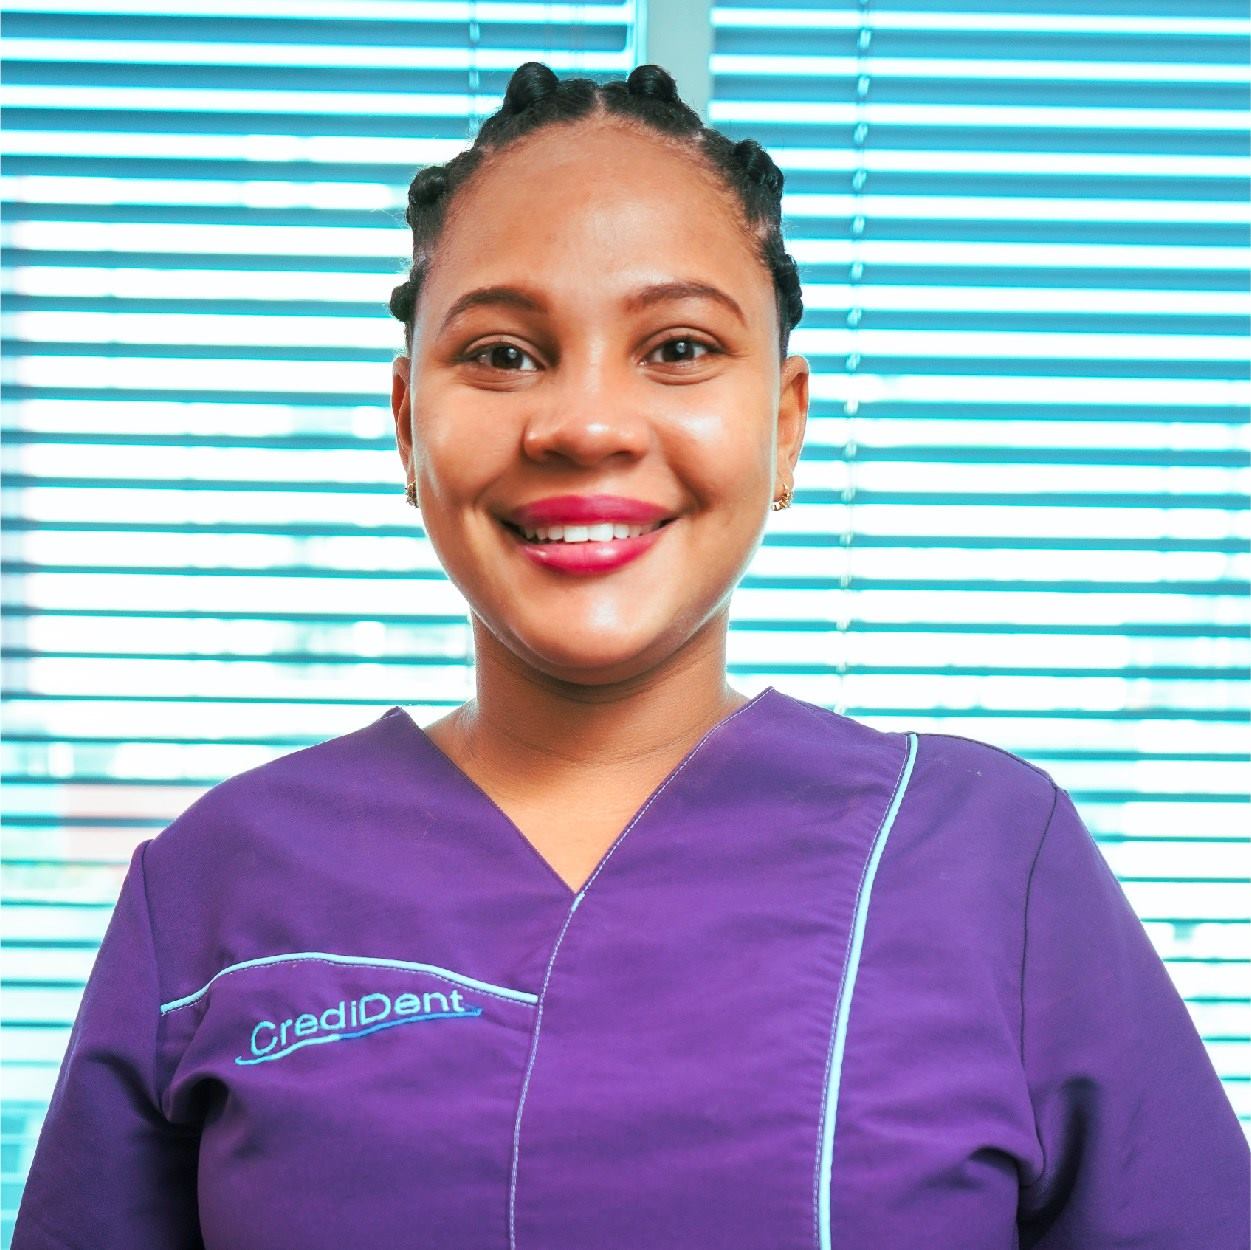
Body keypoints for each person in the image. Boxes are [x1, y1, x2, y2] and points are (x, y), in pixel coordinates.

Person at [12, 60, 1247, 1250]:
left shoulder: (991, 861)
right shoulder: (212, 890)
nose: (587, 423)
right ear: (404, 423)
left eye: (679, 348)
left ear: (785, 427)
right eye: (502, 354)